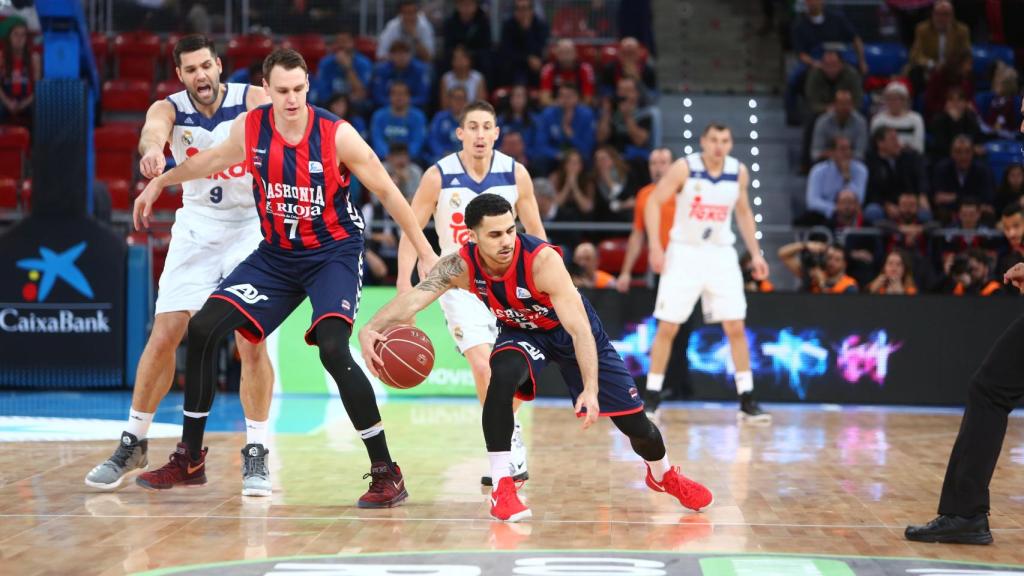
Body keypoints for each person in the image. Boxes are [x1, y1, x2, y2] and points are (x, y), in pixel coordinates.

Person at [130, 49, 440, 509]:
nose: (291, 98)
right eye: (282, 90)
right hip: (276, 255)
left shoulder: (337, 135)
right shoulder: (252, 128)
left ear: (308, 85)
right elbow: (209, 160)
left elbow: (389, 193)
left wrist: (427, 251)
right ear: (267, 89)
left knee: (334, 348)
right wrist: (162, 181)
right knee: (201, 328)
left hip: (332, 253)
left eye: (298, 89)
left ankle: (386, 472)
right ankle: (190, 457)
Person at [360, 194, 714, 522]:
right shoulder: (460, 265)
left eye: (511, 230)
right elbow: (416, 298)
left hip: (570, 333)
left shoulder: (542, 261)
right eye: (495, 234)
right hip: (521, 332)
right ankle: (502, 486)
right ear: (472, 236)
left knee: (638, 427)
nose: (506, 240)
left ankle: (663, 474)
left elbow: (580, 332)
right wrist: (370, 327)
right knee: (500, 375)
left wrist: (590, 390)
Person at [84, 35, 276, 496]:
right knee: (165, 332)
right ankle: (134, 441)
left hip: (251, 226)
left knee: (250, 341)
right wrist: (152, 152)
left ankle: (257, 451)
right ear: (181, 75)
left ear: (218, 65)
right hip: (196, 228)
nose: (201, 76)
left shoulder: (251, 99)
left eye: (207, 66)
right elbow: (153, 130)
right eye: (191, 70)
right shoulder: (168, 109)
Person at [396, 99, 545, 487]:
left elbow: (538, 234)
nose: (480, 134)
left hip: (509, 283)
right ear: (460, 133)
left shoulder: (517, 175)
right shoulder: (438, 176)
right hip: (460, 280)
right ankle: (505, 447)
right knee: (483, 367)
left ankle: (506, 429)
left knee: (510, 372)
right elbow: (412, 228)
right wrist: (403, 282)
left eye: (487, 127)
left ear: (497, 133)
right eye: (472, 127)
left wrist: (548, 280)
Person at [643, 123, 771, 422]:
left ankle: (747, 399)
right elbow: (653, 201)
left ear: (730, 143)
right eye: (713, 140)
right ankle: (651, 396)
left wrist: (755, 253)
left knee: (736, 326)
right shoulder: (685, 167)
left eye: (724, 140)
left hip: (720, 253)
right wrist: (655, 246)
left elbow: (743, 212)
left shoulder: (738, 171)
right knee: (667, 327)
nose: (718, 146)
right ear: (703, 141)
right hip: (684, 251)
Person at [617, 148, 673, 292]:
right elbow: (637, 235)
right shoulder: (644, 195)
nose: (657, 168)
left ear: (672, 166)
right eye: (653, 163)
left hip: (684, 259)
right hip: (659, 261)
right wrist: (625, 272)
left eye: (663, 163)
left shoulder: (683, 192)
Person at [778, 241, 860, 294]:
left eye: (837, 260)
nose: (832, 262)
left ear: (844, 264)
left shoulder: (849, 286)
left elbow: (834, 310)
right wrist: (805, 245)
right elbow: (783, 255)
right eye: (829, 258)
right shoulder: (814, 275)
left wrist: (822, 284)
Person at [0, 18, 39, 126]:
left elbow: (38, 89)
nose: (19, 39)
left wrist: (23, 104)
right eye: (16, 34)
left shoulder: (34, 58)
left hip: (27, 101)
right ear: (9, 37)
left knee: (39, 108)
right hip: (5, 100)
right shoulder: (1, 57)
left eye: (23, 35)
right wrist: (7, 103)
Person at [870, 81, 925, 154]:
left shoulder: (916, 119)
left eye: (896, 99)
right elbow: (875, 145)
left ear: (904, 101)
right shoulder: (878, 120)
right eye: (889, 99)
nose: (893, 102)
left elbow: (918, 147)